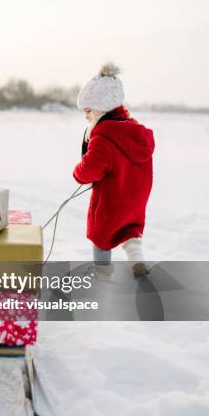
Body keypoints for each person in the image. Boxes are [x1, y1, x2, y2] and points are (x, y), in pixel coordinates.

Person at [73, 62, 155, 277]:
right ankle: (137, 260)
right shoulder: (135, 131)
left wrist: (77, 171)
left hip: (113, 198)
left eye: (88, 110)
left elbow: (89, 171)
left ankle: (102, 272)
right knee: (130, 228)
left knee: (101, 234)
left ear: (104, 107)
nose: (86, 116)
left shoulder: (103, 137)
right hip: (136, 197)